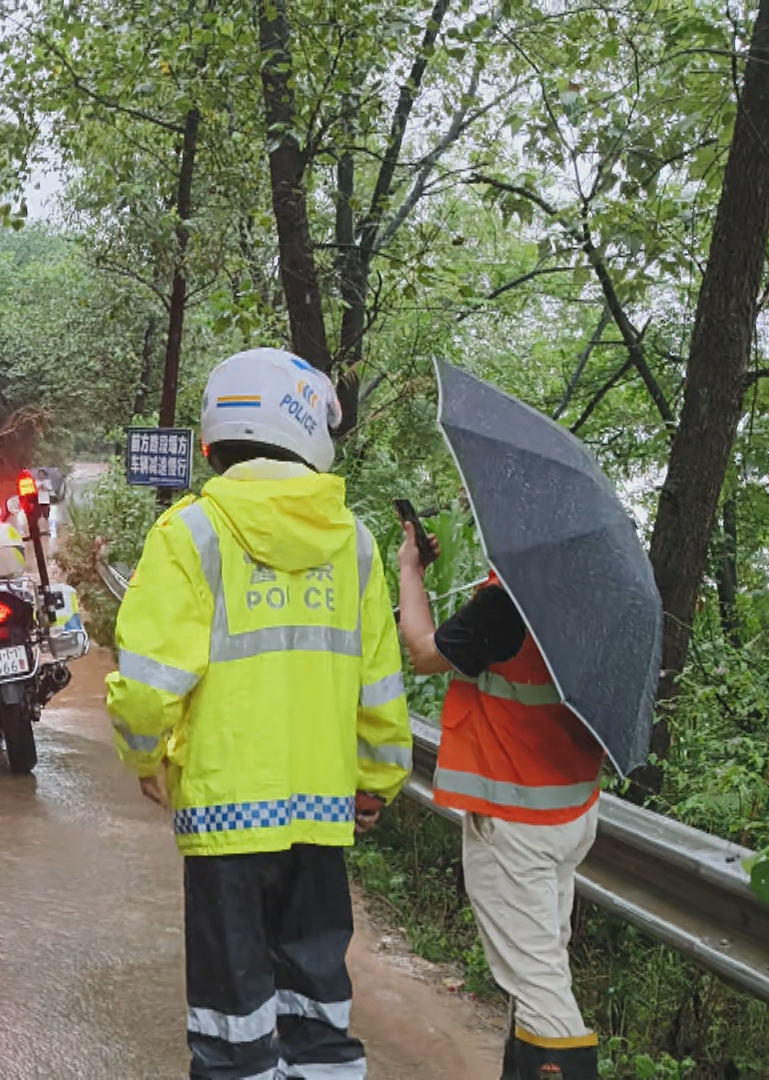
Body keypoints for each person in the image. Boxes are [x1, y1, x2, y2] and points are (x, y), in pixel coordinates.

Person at [107, 348, 411, 1080]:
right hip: (321, 820)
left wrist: (147, 757)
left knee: (232, 1026)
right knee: (317, 1020)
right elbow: (380, 693)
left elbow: (149, 684)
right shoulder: (358, 548)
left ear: (219, 436)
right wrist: (375, 782)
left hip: (225, 823)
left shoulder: (191, 534)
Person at [395, 526, 606, 1079]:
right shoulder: (590, 596)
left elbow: (422, 652)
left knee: (540, 991)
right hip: (570, 811)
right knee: (539, 971)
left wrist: (410, 571)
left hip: (516, 821)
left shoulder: (510, 601)